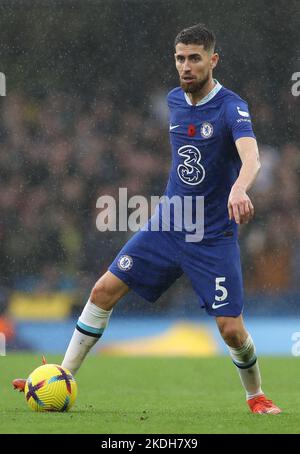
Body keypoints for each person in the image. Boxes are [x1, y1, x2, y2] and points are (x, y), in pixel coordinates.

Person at [13, 24, 281, 414]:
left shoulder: (231, 106)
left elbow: (251, 156)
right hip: (168, 226)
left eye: (194, 58)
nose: (186, 66)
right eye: (180, 58)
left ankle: (255, 395)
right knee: (102, 291)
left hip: (212, 237)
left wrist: (240, 188)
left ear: (213, 60)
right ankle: (61, 377)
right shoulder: (174, 100)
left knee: (232, 330)